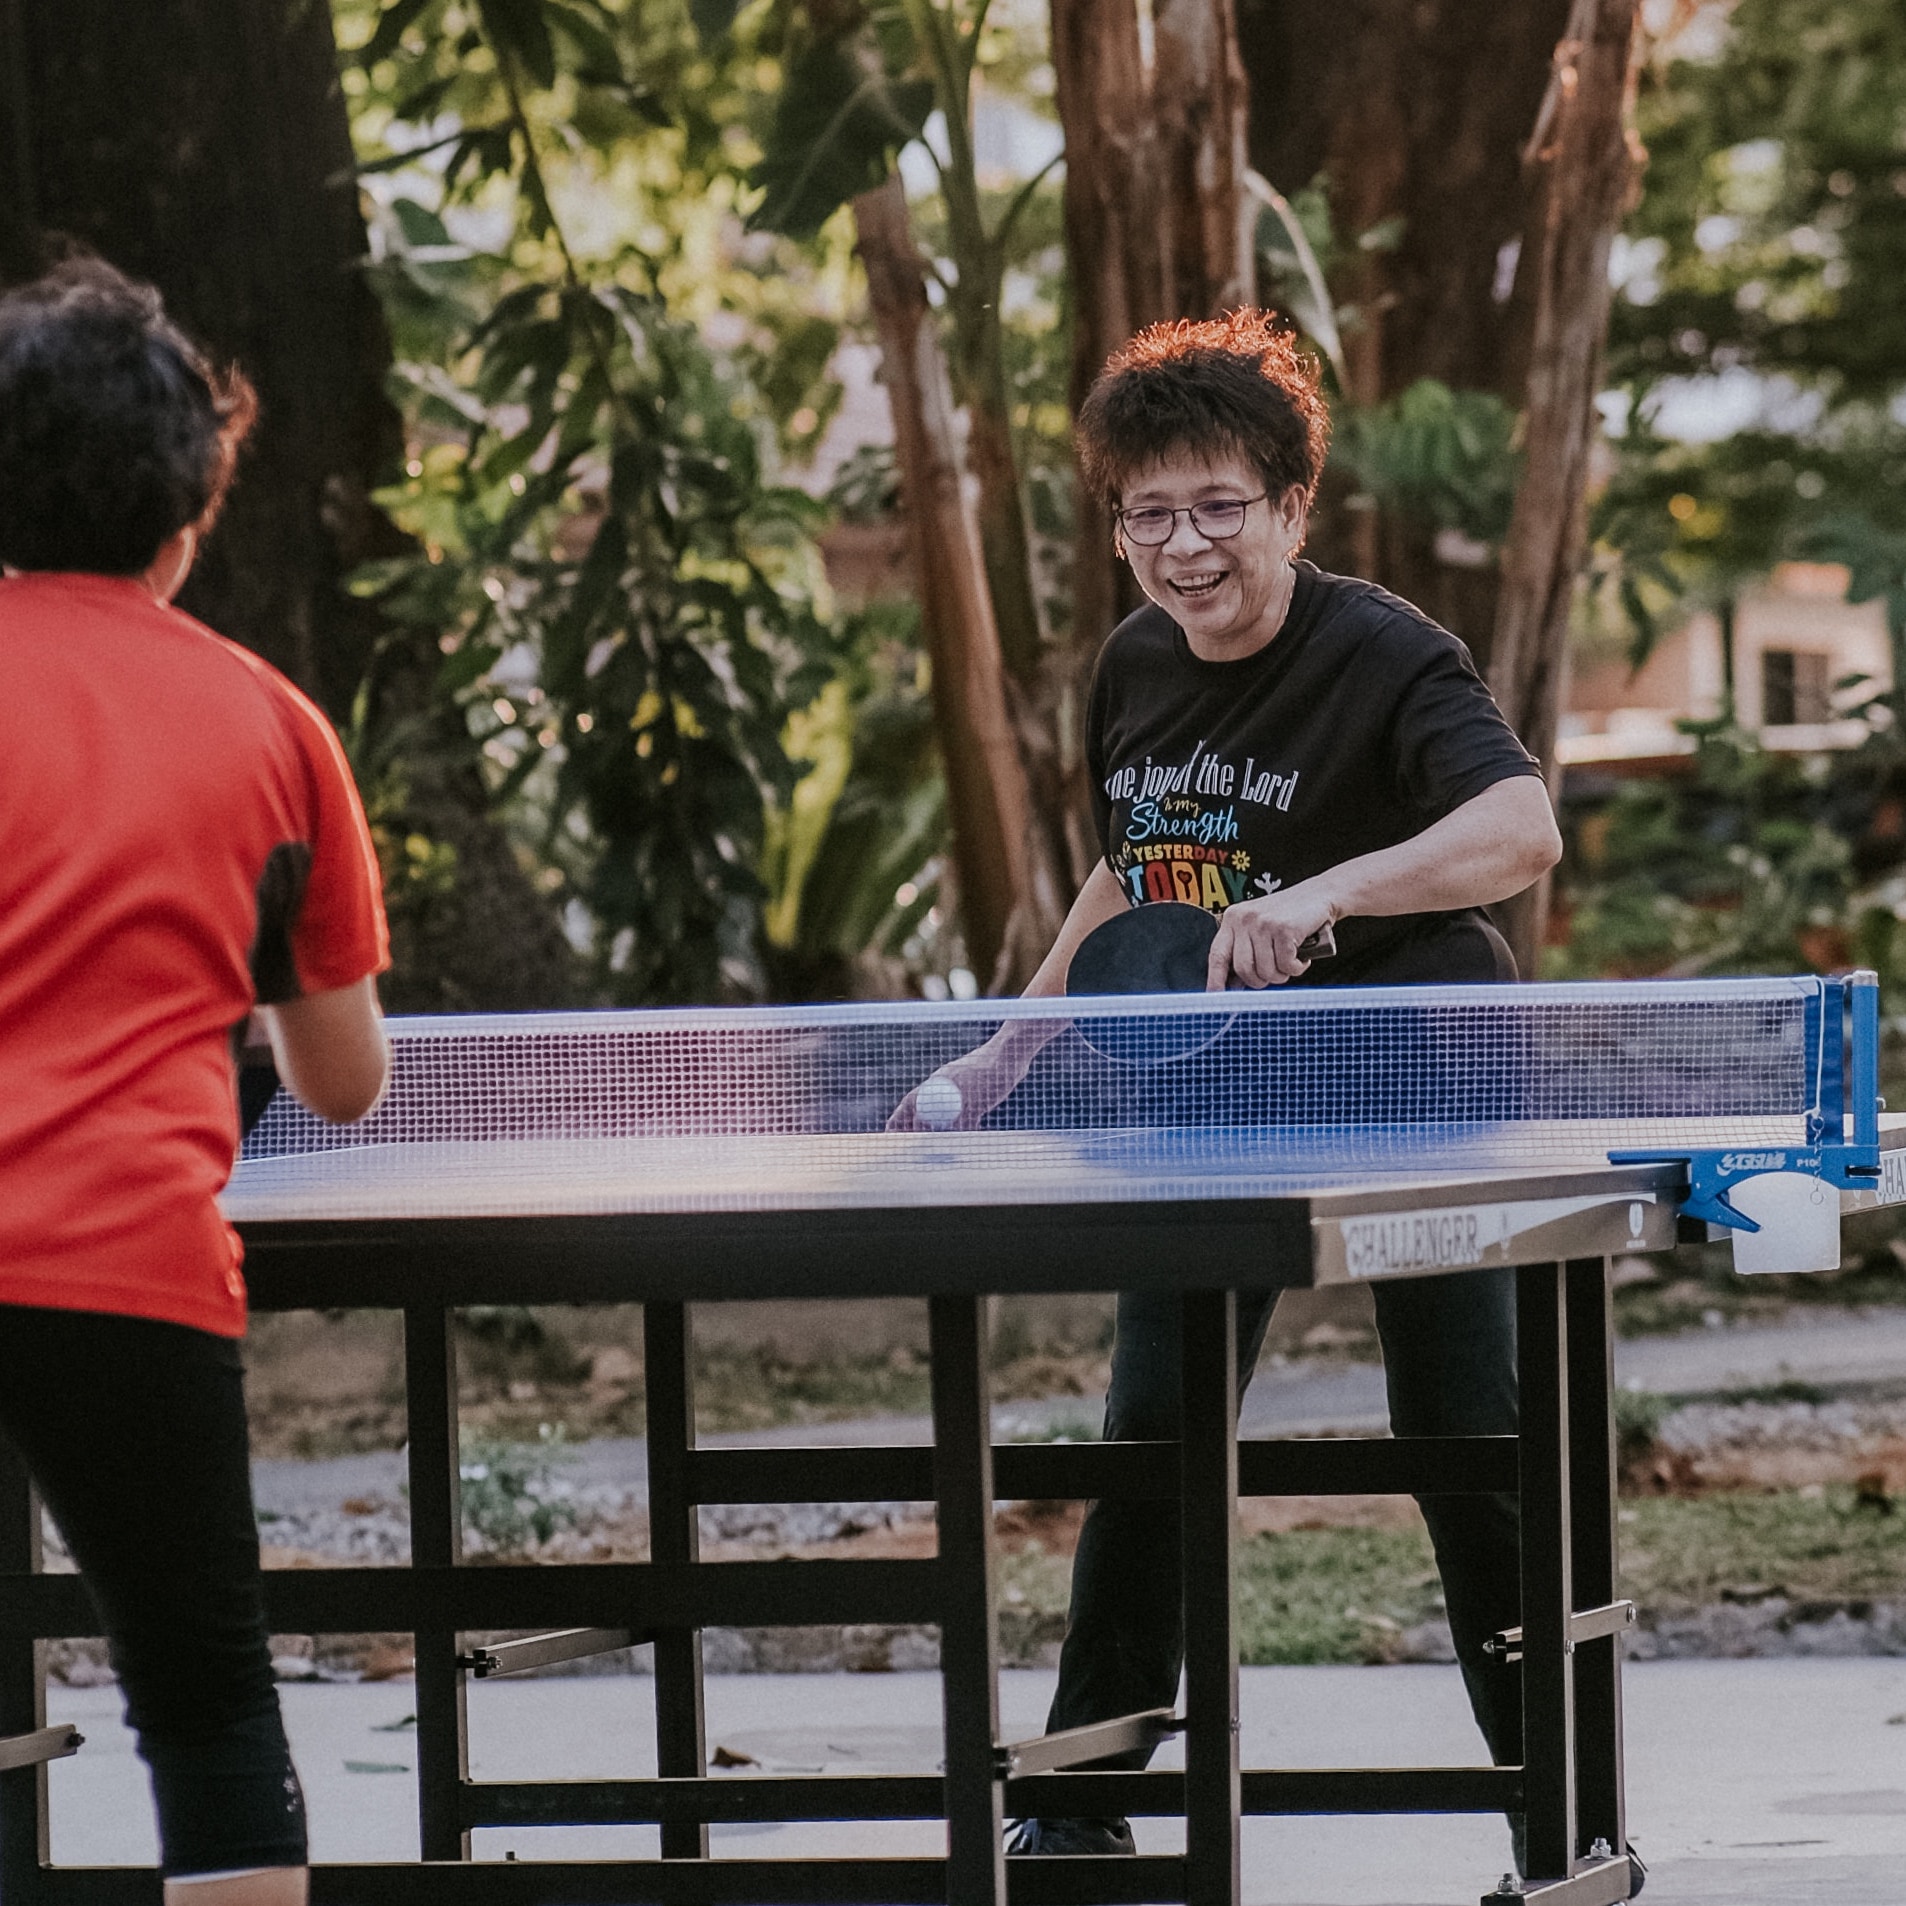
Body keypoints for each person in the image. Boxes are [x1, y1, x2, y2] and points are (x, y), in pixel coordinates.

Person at [890, 309, 1563, 1866]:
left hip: (1420, 1084)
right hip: (1213, 1094)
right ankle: (1078, 1813)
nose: (1180, 546)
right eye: (1145, 512)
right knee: (1148, 1437)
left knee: (1465, 1435)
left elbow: (1519, 828)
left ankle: (1553, 1805)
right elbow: (1136, 870)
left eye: (1214, 508)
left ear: (1288, 507)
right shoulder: (1133, 665)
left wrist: (1326, 892)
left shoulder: (1388, 650)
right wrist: (1008, 1047)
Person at [0, 258, 391, 1906]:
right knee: (207, 1709)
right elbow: (346, 1075)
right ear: (190, 516)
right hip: (128, 1278)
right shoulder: (272, 725)